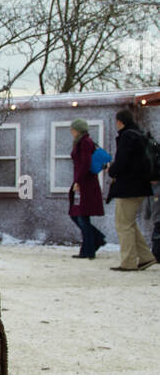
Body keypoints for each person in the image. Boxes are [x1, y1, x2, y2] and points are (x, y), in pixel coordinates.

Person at [107, 108, 155, 271]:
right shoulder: (139, 134)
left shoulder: (127, 136)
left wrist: (111, 170)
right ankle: (146, 257)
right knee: (129, 224)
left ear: (120, 122)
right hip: (141, 186)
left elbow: (122, 162)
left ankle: (128, 262)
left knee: (123, 225)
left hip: (129, 187)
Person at [68, 117, 106, 259]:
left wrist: (78, 181)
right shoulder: (83, 142)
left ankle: (89, 248)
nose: (71, 131)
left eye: (72, 128)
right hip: (84, 183)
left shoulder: (84, 142)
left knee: (81, 216)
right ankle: (95, 240)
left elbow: (85, 163)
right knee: (79, 215)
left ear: (78, 130)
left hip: (85, 185)